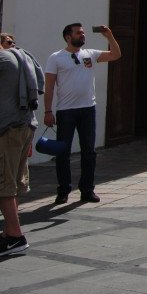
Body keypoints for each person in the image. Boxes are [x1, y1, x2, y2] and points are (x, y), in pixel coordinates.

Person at [43, 23, 121, 204]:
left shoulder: (90, 54)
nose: (83, 35)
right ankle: (63, 190)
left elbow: (116, 55)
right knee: (63, 152)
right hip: (65, 111)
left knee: (89, 151)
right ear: (68, 37)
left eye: (83, 32)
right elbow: (49, 87)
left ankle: (87, 189)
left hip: (88, 109)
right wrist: (48, 111)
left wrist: (109, 36)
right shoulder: (56, 58)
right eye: (79, 33)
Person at [0, 33, 43, 256]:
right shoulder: (25, 56)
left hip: (7, 129)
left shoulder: (3, 60)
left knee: (4, 185)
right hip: (25, 125)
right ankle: (9, 233)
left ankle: (15, 237)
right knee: (12, 184)